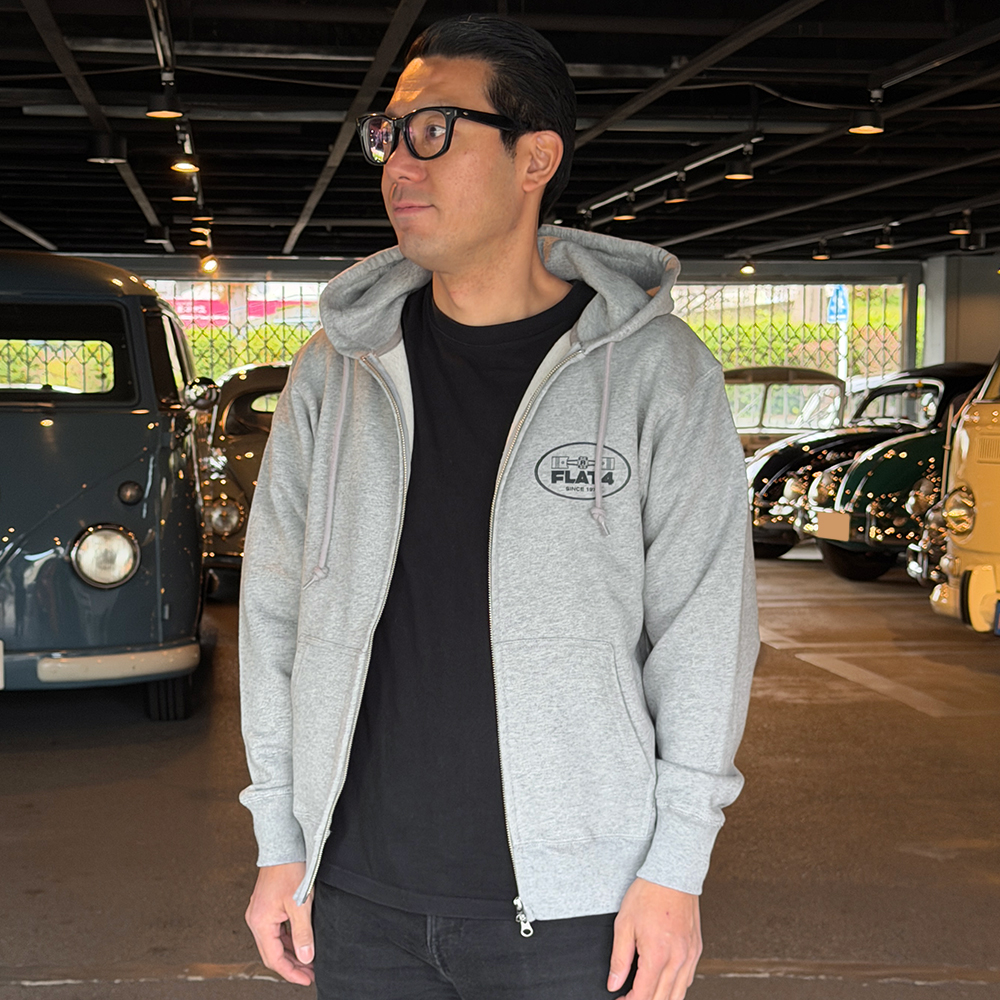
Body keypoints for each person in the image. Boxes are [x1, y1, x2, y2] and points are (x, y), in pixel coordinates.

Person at [239, 14, 757, 1000]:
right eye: (388, 135)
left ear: (535, 159)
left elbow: (704, 635)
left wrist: (676, 867)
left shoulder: (657, 372)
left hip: (577, 909)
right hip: (357, 896)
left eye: (434, 130)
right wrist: (280, 841)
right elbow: (271, 617)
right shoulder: (336, 370)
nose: (399, 162)